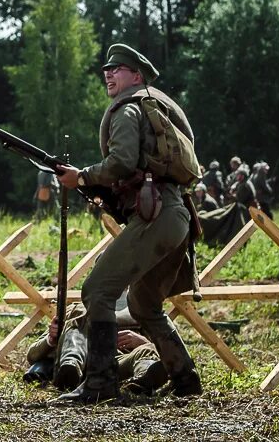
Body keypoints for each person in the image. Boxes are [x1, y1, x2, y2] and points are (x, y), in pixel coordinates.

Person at [56, 44, 201, 403]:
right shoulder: (156, 106)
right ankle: (186, 380)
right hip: (177, 215)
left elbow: (121, 161)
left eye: (117, 68)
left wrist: (83, 177)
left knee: (96, 291)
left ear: (135, 76)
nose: (108, 73)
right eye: (106, 68)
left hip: (156, 214)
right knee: (143, 305)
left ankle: (100, 383)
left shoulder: (127, 108)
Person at [24, 302, 168, 396]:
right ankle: (70, 370)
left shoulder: (143, 311)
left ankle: (139, 384)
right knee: (79, 316)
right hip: (85, 360)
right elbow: (32, 355)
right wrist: (51, 339)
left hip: (117, 363)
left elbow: (166, 350)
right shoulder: (75, 309)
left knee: (147, 351)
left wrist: (142, 341)